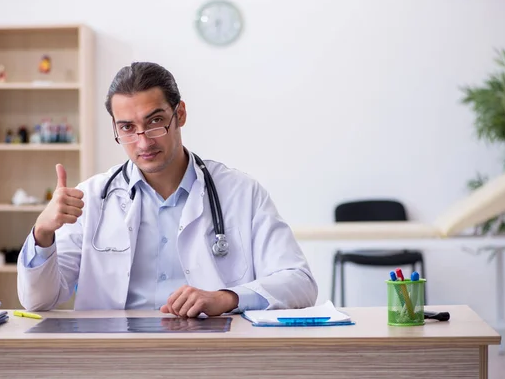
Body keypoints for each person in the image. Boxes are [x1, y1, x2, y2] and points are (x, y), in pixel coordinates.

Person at [17, 62, 318, 317]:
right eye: (127, 128)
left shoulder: (241, 192)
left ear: (180, 114)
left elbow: (300, 282)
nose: (144, 142)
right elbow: (39, 301)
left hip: (212, 354)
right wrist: (42, 232)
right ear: (115, 128)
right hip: (114, 359)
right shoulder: (92, 198)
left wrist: (227, 298)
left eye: (156, 121)